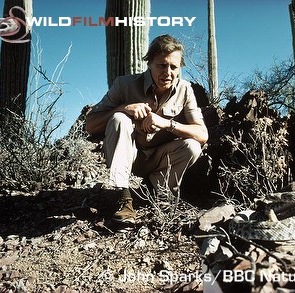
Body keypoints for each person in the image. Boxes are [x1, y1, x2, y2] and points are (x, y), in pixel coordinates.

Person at [86, 34, 208, 224]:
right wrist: (123, 108)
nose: (168, 72)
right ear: (149, 63)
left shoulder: (185, 90)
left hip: (159, 159)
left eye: (174, 67)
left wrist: (167, 123)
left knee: (192, 146)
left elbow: (203, 135)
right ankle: (123, 199)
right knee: (119, 119)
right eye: (162, 65)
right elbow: (90, 124)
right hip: (129, 155)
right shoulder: (123, 84)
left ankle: (154, 190)